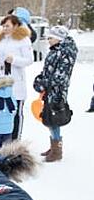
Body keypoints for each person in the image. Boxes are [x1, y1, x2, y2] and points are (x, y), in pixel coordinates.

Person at [33, 26, 78, 162]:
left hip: (57, 92)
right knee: (49, 119)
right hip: (50, 90)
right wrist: (40, 79)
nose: (48, 40)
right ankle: (54, 144)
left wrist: (43, 83)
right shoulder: (56, 51)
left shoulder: (65, 53)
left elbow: (60, 77)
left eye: (51, 37)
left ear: (59, 38)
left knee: (53, 120)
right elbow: (49, 71)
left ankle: (57, 150)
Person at [0, 15, 33, 140]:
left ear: (15, 26)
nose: (5, 28)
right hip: (1, 80)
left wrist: (14, 59)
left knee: (15, 112)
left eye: (7, 26)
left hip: (16, 81)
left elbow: (29, 60)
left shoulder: (23, 40)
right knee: (1, 112)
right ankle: (3, 140)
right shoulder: (1, 39)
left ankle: (15, 140)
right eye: (3, 26)